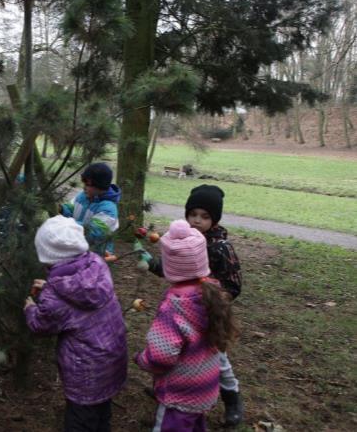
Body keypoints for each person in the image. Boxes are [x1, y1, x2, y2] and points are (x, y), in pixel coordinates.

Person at [144, 184, 244, 426]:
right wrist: (152, 264)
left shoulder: (220, 247)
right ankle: (167, 389)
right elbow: (176, 271)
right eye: (193, 214)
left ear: (215, 219)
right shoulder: (185, 240)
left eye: (205, 216)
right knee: (180, 352)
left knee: (216, 357)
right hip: (185, 306)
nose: (197, 220)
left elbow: (234, 284)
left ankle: (232, 396)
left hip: (210, 311)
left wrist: (213, 298)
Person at [24, 215, 128, 432]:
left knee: (80, 421)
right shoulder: (97, 264)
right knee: (101, 414)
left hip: (84, 373)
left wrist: (30, 308)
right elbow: (75, 295)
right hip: (112, 359)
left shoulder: (55, 295)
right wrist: (50, 288)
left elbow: (41, 325)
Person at [61, 162, 121, 256]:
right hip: (78, 248)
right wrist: (61, 209)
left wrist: (65, 225)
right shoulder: (82, 196)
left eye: (88, 185)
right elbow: (70, 208)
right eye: (84, 183)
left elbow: (93, 232)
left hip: (96, 256)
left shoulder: (109, 210)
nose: (84, 187)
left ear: (100, 186)